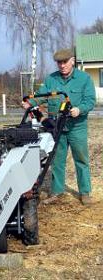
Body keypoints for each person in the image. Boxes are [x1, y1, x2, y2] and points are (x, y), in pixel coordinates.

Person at [23, 48, 96, 205]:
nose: (62, 65)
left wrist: (79, 109)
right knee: (56, 160)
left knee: (81, 160)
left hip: (77, 127)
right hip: (58, 128)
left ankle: (85, 193)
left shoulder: (84, 79)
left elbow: (90, 101)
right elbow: (42, 95)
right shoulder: (52, 79)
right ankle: (57, 192)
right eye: (59, 63)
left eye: (65, 62)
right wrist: (30, 102)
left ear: (72, 61)